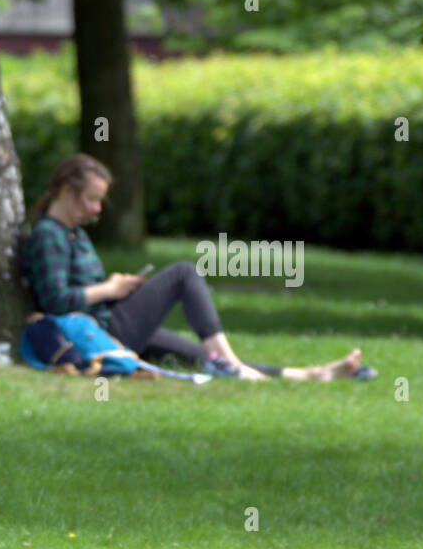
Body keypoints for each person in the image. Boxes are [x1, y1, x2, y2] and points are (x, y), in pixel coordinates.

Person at [19, 154, 371, 382]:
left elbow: (78, 287)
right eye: (91, 199)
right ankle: (235, 363)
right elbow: (56, 301)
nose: (97, 209)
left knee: (206, 358)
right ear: (65, 190)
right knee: (185, 272)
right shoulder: (48, 235)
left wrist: (114, 284)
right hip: (105, 330)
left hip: (112, 324)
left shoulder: (72, 234)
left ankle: (311, 374)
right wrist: (111, 289)